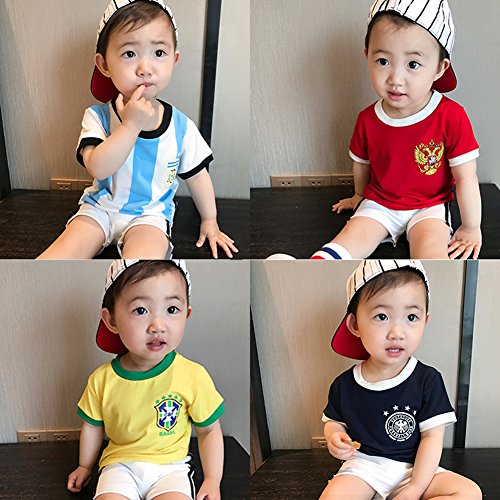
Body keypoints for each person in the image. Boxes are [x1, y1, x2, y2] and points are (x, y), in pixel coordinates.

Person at [39, 0, 237, 260]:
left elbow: (198, 177)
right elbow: (97, 168)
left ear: (174, 59)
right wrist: (131, 125)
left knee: (147, 261)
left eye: (159, 53)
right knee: (59, 256)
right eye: (130, 54)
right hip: (99, 208)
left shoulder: (181, 127)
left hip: (150, 216)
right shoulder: (97, 117)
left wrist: (210, 220)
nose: (145, 69)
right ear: (104, 65)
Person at [311, 0, 481, 261]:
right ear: (366, 56)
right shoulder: (367, 119)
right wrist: (359, 196)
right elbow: (362, 164)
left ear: (439, 68)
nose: (395, 79)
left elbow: (466, 177)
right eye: (383, 61)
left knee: (431, 250)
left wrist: (470, 227)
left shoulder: (451, 116)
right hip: (379, 203)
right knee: (350, 238)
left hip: (429, 207)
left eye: (413, 64)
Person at [320, 260, 482, 500]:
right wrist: (334, 436)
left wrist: (415, 489)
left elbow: (432, 438)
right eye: (382, 316)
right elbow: (334, 422)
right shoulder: (344, 384)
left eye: (412, 317)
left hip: (416, 468)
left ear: (425, 321)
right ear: (355, 324)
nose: (397, 333)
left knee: (469, 493)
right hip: (364, 467)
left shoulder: (427, 380)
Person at [67, 260, 225, 500]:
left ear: (186, 315)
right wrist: (85, 466)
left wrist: (213, 480)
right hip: (119, 467)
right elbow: (92, 426)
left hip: (171, 469)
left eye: (172, 309)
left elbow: (209, 430)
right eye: (140, 310)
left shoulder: (192, 375)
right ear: (112, 321)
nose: (157, 326)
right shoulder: (101, 379)